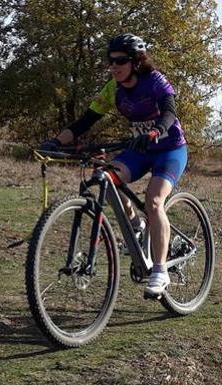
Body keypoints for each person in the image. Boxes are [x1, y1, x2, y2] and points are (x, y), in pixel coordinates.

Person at [40, 33, 188, 297]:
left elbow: (169, 111)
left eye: (120, 60)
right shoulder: (113, 89)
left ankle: (160, 271)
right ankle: (136, 227)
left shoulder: (154, 80)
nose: (114, 66)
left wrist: (155, 132)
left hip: (170, 150)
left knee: (154, 201)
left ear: (136, 61)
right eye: (110, 61)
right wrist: (54, 142)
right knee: (107, 176)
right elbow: (85, 122)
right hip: (139, 150)